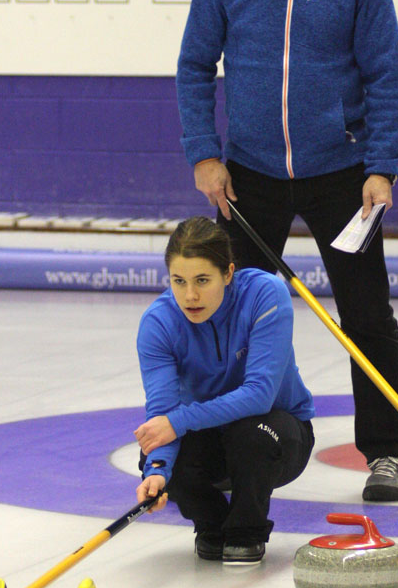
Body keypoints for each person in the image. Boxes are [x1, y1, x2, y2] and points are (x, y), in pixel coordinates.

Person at [175, 0, 398, 502]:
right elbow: (195, 66)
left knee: (367, 315)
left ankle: (389, 454)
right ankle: (224, 445)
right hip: (248, 177)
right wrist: (204, 153)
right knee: (233, 319)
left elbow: (386, 77)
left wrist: (381, 167)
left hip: (343, 176)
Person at [134, 216, 315, 565]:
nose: (190, 295)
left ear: (228, 273)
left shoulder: (265, 294)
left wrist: (178, 420)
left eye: (203, 280)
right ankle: (212, 524)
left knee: (252, 435)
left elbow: (259, 393)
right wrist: (157, 470)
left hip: (276, 433)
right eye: (179, 281)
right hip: (207, 437)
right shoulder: (158, 323)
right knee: (159, 455)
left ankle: (246, 530)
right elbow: (162, 413)